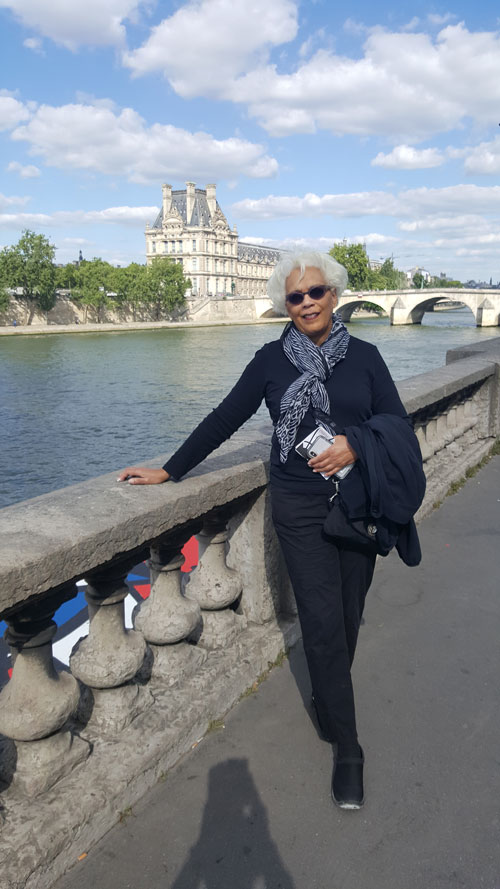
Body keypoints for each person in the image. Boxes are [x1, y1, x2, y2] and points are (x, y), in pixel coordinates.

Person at [118, 251, 421, 810]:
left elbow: (397, 423)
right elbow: (223, 417)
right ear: (285, 303)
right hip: (300, 507)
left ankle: (333, 706)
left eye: (316, 293)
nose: (307, 303)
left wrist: (355, 442)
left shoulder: (369, 358)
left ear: (335, 295)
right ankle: (349, 748)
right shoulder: (269, 361)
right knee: (323, 621)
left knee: (349, 615)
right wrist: (170, 469)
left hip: (358, 503)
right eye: (295, 297)